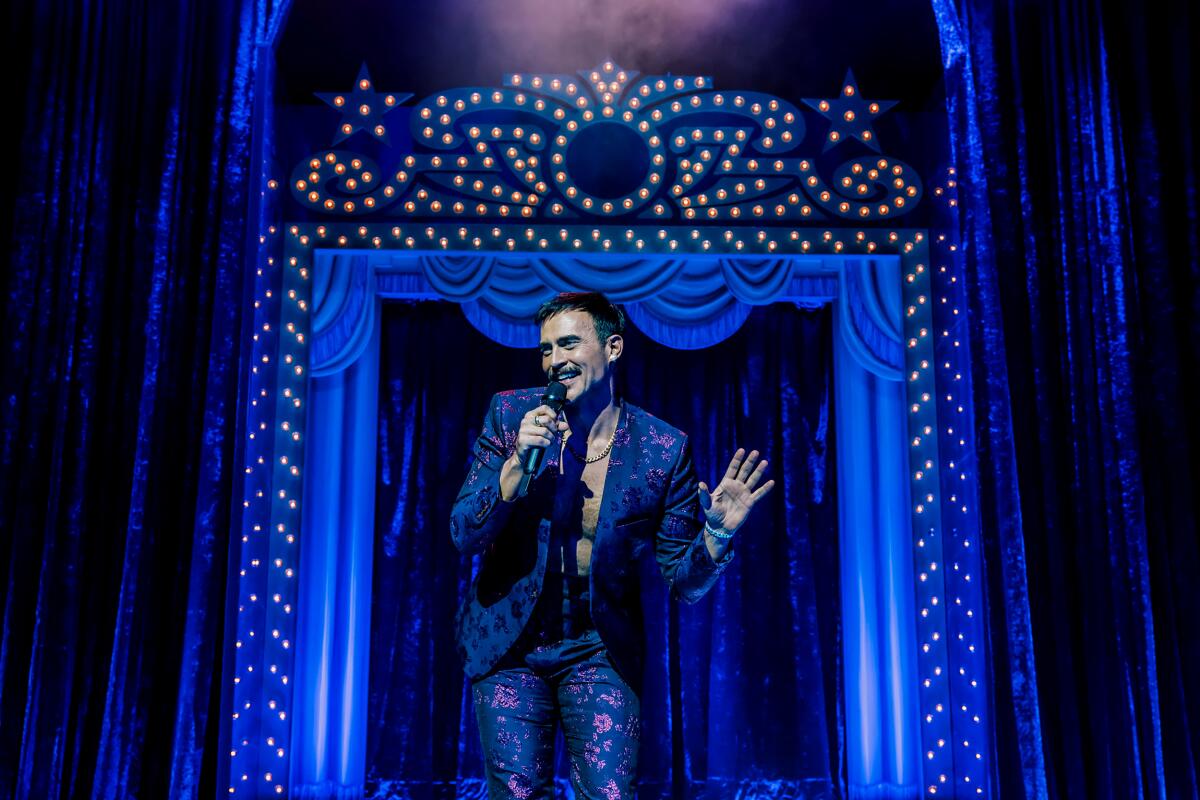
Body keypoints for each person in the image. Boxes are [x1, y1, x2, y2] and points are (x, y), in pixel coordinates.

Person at [450, 292, 774, 799]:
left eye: (570, 344)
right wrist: (514, 468)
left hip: (597, 649)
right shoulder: (511, 415)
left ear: (614, 347)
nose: (555, 361)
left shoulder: (662, 449)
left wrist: (717, 533)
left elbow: (683, 581)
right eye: (546, 349)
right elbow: (464, 532)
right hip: (509, 644)